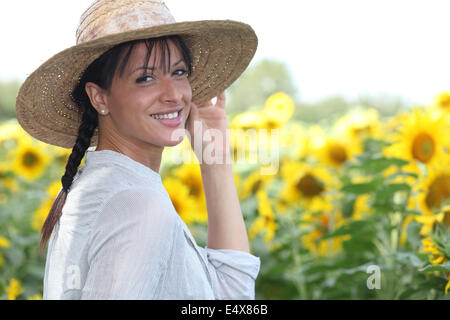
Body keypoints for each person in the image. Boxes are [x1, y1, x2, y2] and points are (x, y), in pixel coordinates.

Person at [15, 0, 260, 299]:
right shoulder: (138, 205)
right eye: (145, 78)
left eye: (179, 72)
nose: (173, 94)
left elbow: (228, 293)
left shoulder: (97, 185)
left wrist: (215, 160)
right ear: (99, 98)